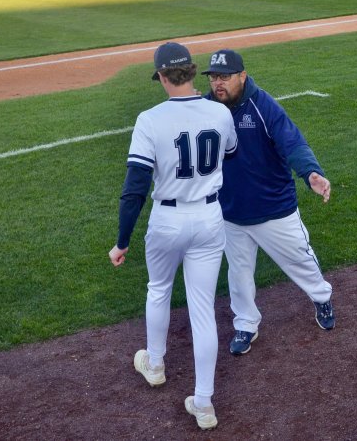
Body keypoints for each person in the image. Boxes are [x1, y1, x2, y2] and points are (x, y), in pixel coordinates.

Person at [109, 42, 238, 431]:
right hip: (210, 217)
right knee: (203, 310)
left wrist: (122, 241)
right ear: (193, 72)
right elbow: (229, 154)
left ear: (163, 77)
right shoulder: (220, 113)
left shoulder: (150, 119)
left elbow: (134, 189)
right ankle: (203, 403)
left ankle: (156, 362)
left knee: (159, 289)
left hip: (167, 220)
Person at [203, 49, 335, 356]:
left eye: (224, 77)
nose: (218, 84)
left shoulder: (264, 107)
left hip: (274, 209)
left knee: (300, 260)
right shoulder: (206, 108)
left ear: (242, 76)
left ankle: (321, 297)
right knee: (238, 273)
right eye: (213, 78)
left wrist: (311, 173)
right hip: (230, 211)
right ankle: (246, 324)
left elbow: (293, 142)